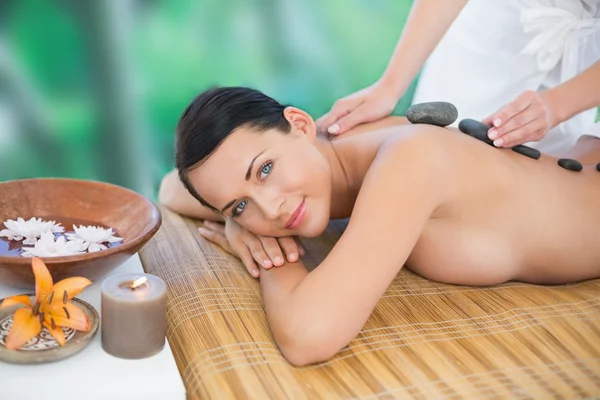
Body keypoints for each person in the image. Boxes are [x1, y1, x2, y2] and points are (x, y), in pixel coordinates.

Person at [159, 86, 600, 366]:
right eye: (240, 205)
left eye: (266, 169)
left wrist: (273, 255)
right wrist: (240, 225)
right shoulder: (341, 145)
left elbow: (308, 337)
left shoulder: (409, 159)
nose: (270, 209)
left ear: (299, 124)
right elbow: (170, 189)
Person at [316, 0, 600, 155]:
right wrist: (390, 86)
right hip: (486, 37)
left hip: (579, 78)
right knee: (433, 158)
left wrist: (556, 106)